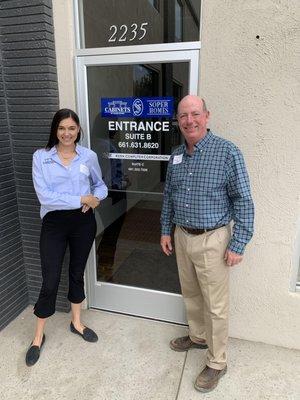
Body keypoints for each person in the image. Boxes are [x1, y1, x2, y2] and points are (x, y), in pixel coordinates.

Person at [160, 95, 254, 392]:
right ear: (178, 120)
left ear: (207, 116)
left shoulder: (227, 153)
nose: (189, 120)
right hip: (182, 235)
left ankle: (217, 362)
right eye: (183, 116)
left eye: (195, 114)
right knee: (191, 294)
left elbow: (244, 201)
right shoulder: (175, 154)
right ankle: (198, 337)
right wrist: (166, 230)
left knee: (216, 305)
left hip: (212, 238)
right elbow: (169, 197)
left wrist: (238, 243)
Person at [25, 109, 108, 366]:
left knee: (76, 272)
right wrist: (81, 198)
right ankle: (38, 336)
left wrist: (94, 200)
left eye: (72, 128)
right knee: (50, 278)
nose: (67, 133)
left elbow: (100, 185)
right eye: (62, 128)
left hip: (82, 222)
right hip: (54, 223)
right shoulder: (41, 157)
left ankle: (76, 322)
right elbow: (46, 197)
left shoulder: (88, 156)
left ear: (78, 130)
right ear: (55, 130)